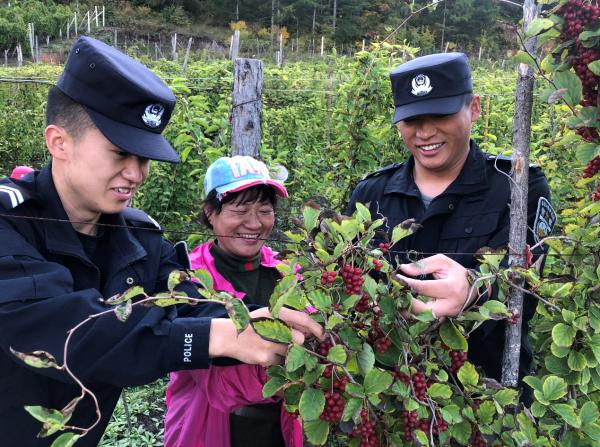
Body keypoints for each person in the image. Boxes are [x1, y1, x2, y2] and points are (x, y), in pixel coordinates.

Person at [0, 37, 322, 446]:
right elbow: (70, 331)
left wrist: (258, 322)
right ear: (59, 142)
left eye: (144, 157)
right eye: (120, 153)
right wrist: (218, 337)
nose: (135, 174)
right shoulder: (9, 223)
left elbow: (188, 301)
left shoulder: (138, 238)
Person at [345, 53, 554, 386]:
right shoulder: (371, 193)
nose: (425, 132)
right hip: (388, 391)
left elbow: (531, 286)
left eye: (440, 114)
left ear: (473, 108)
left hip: (485, 393)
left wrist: (479, 289)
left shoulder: (517, 185)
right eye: (412, 120)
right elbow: (346, 282)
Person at [165, 155, 302, 447]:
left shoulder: (288, 272)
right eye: (240, 209)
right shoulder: (186, 278)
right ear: (210, 212)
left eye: (264, 210)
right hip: (205, 429)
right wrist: (302, 365)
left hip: (279, 431)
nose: (254, 223)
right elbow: (222, 387)